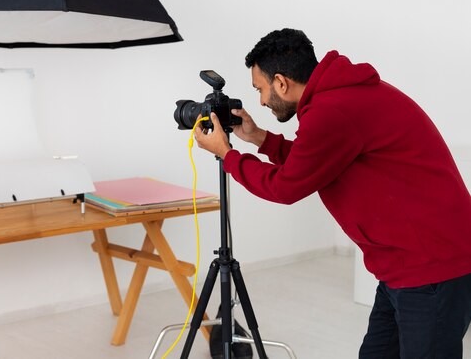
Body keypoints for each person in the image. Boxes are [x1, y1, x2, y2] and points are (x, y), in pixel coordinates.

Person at [193, 28, 471, 359]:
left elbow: (285, 186)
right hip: (404, 266)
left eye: (261, 89)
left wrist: (228, 155)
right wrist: (259, 138)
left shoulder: (331, 110)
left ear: (281, 81)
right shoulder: (340, 97)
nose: (262, 101)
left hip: (431, 268)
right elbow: (316, 158)